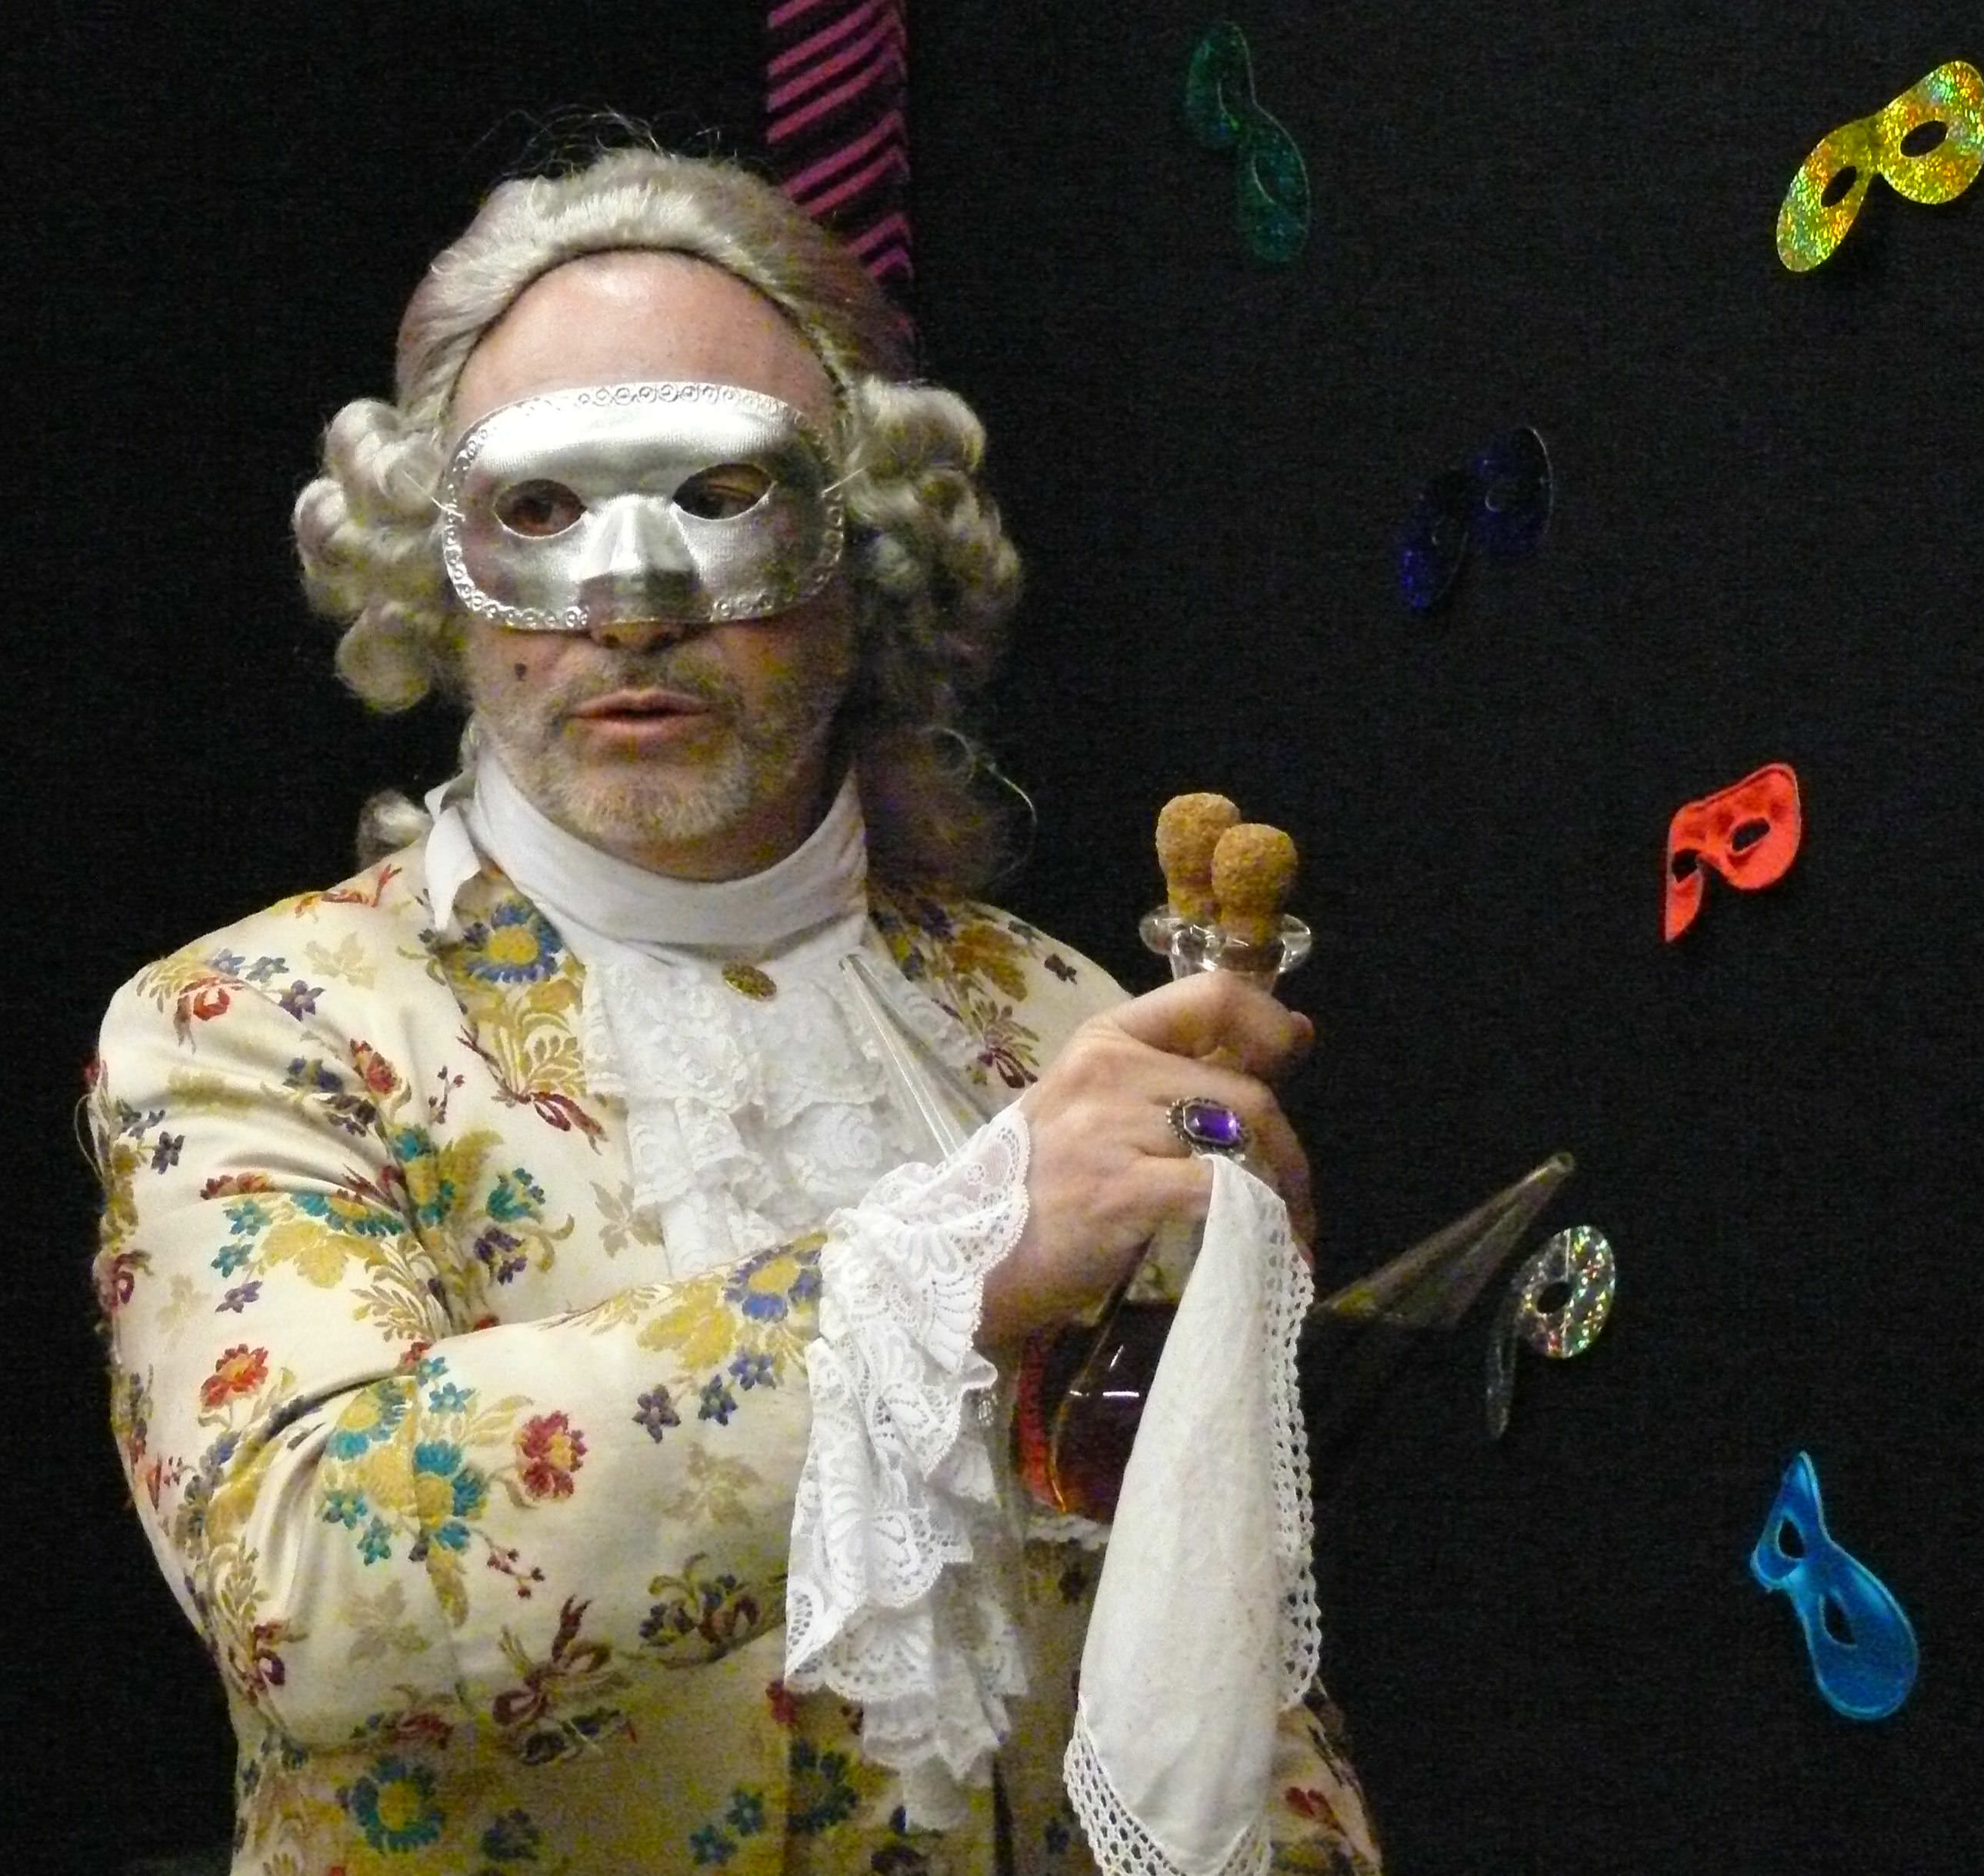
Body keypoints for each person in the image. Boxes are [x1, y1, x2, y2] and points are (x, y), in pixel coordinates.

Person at [89, 147, 1381, 1875]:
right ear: (432, 565)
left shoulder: (1049, 1020)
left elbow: (1229, 1659)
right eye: (539, 513)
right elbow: (304, 1594)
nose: (633, 601)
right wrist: (950, 1270)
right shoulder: (257, 1024)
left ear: (868, 547)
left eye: (721, 494)